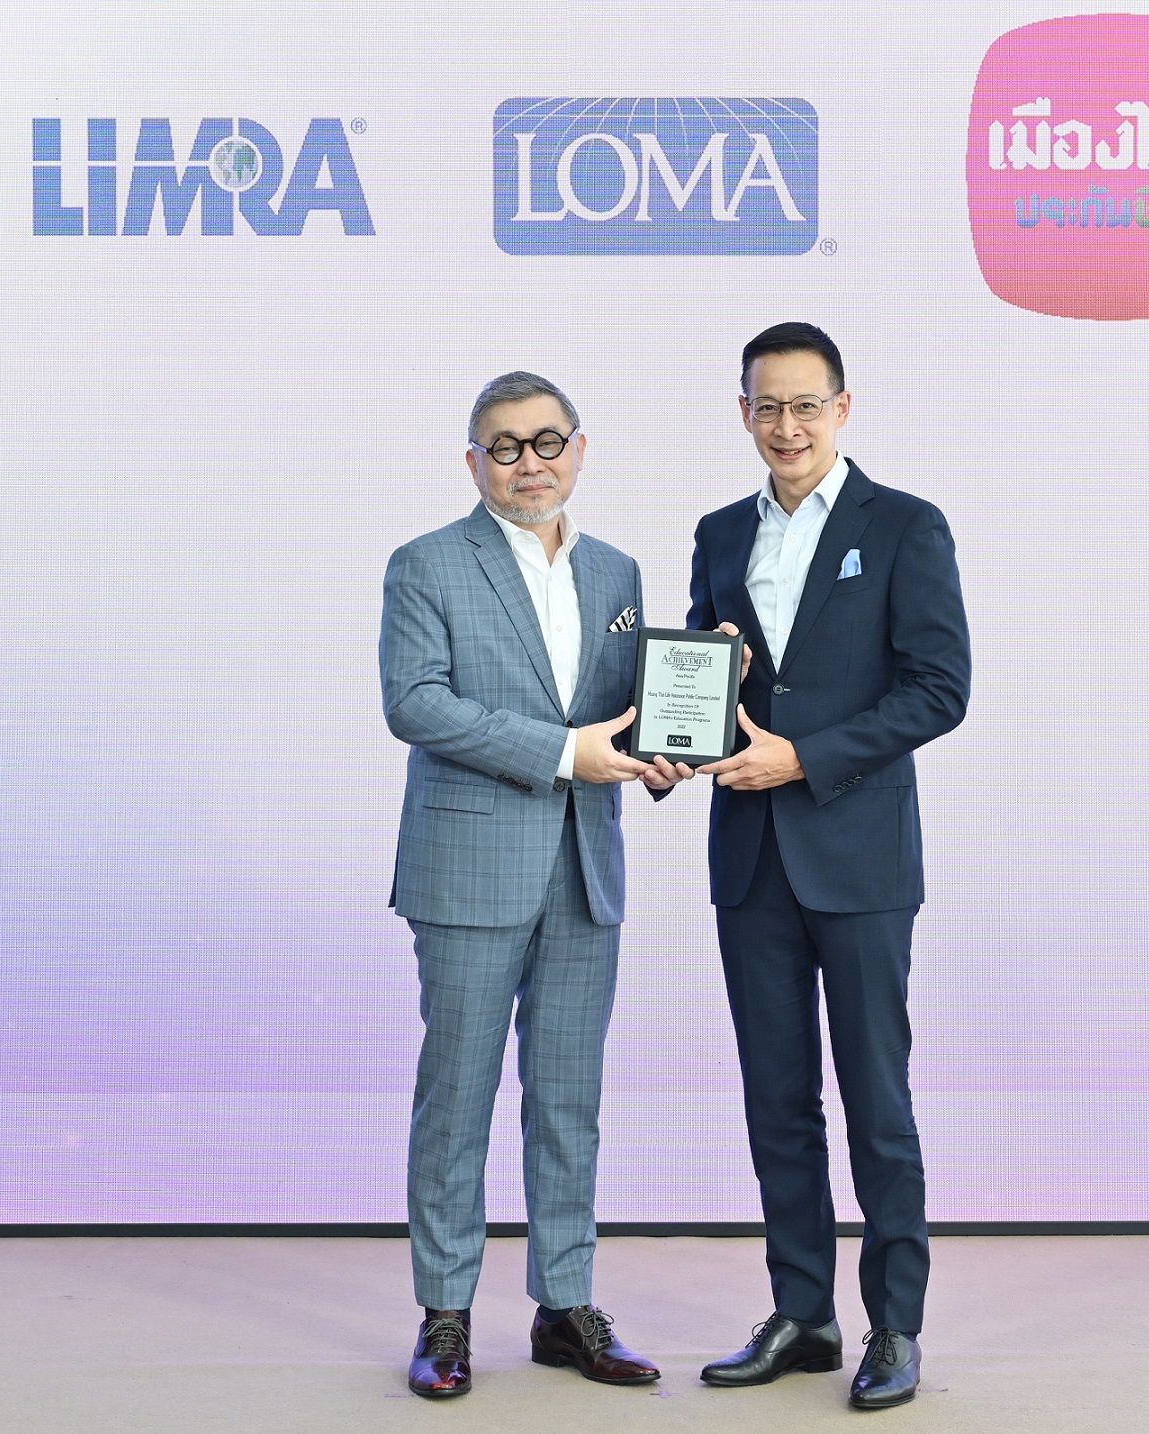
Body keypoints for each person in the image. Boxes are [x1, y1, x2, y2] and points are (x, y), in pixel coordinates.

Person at [654, 323, 971, 1410]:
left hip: (859, 857)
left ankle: (896, 1326)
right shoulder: (717, 533)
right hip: (751, 860)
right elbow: (706, 677)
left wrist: (806, 757)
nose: (785, 427)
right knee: (776, 1101)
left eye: (805, 405)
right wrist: (675, 738)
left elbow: (940, 689)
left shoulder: (906, 525)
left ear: (842, 408)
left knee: (877, 1098)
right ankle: (803, 1312)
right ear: (743, 412)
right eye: (766, 407)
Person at [380, 371, 682, 1399]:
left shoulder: (617, 571)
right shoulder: (426, 563)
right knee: (457, 1096)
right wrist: (563, 753)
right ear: (475, 464)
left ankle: (565, 1304)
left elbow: (629, 712)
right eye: (504, 447)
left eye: (547, 441)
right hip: (468, 870)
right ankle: (446, 1313)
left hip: (584, 867)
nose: (529, 463)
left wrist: (676, 741)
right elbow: (415, 703)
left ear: (580, 450)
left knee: (568, 1099)